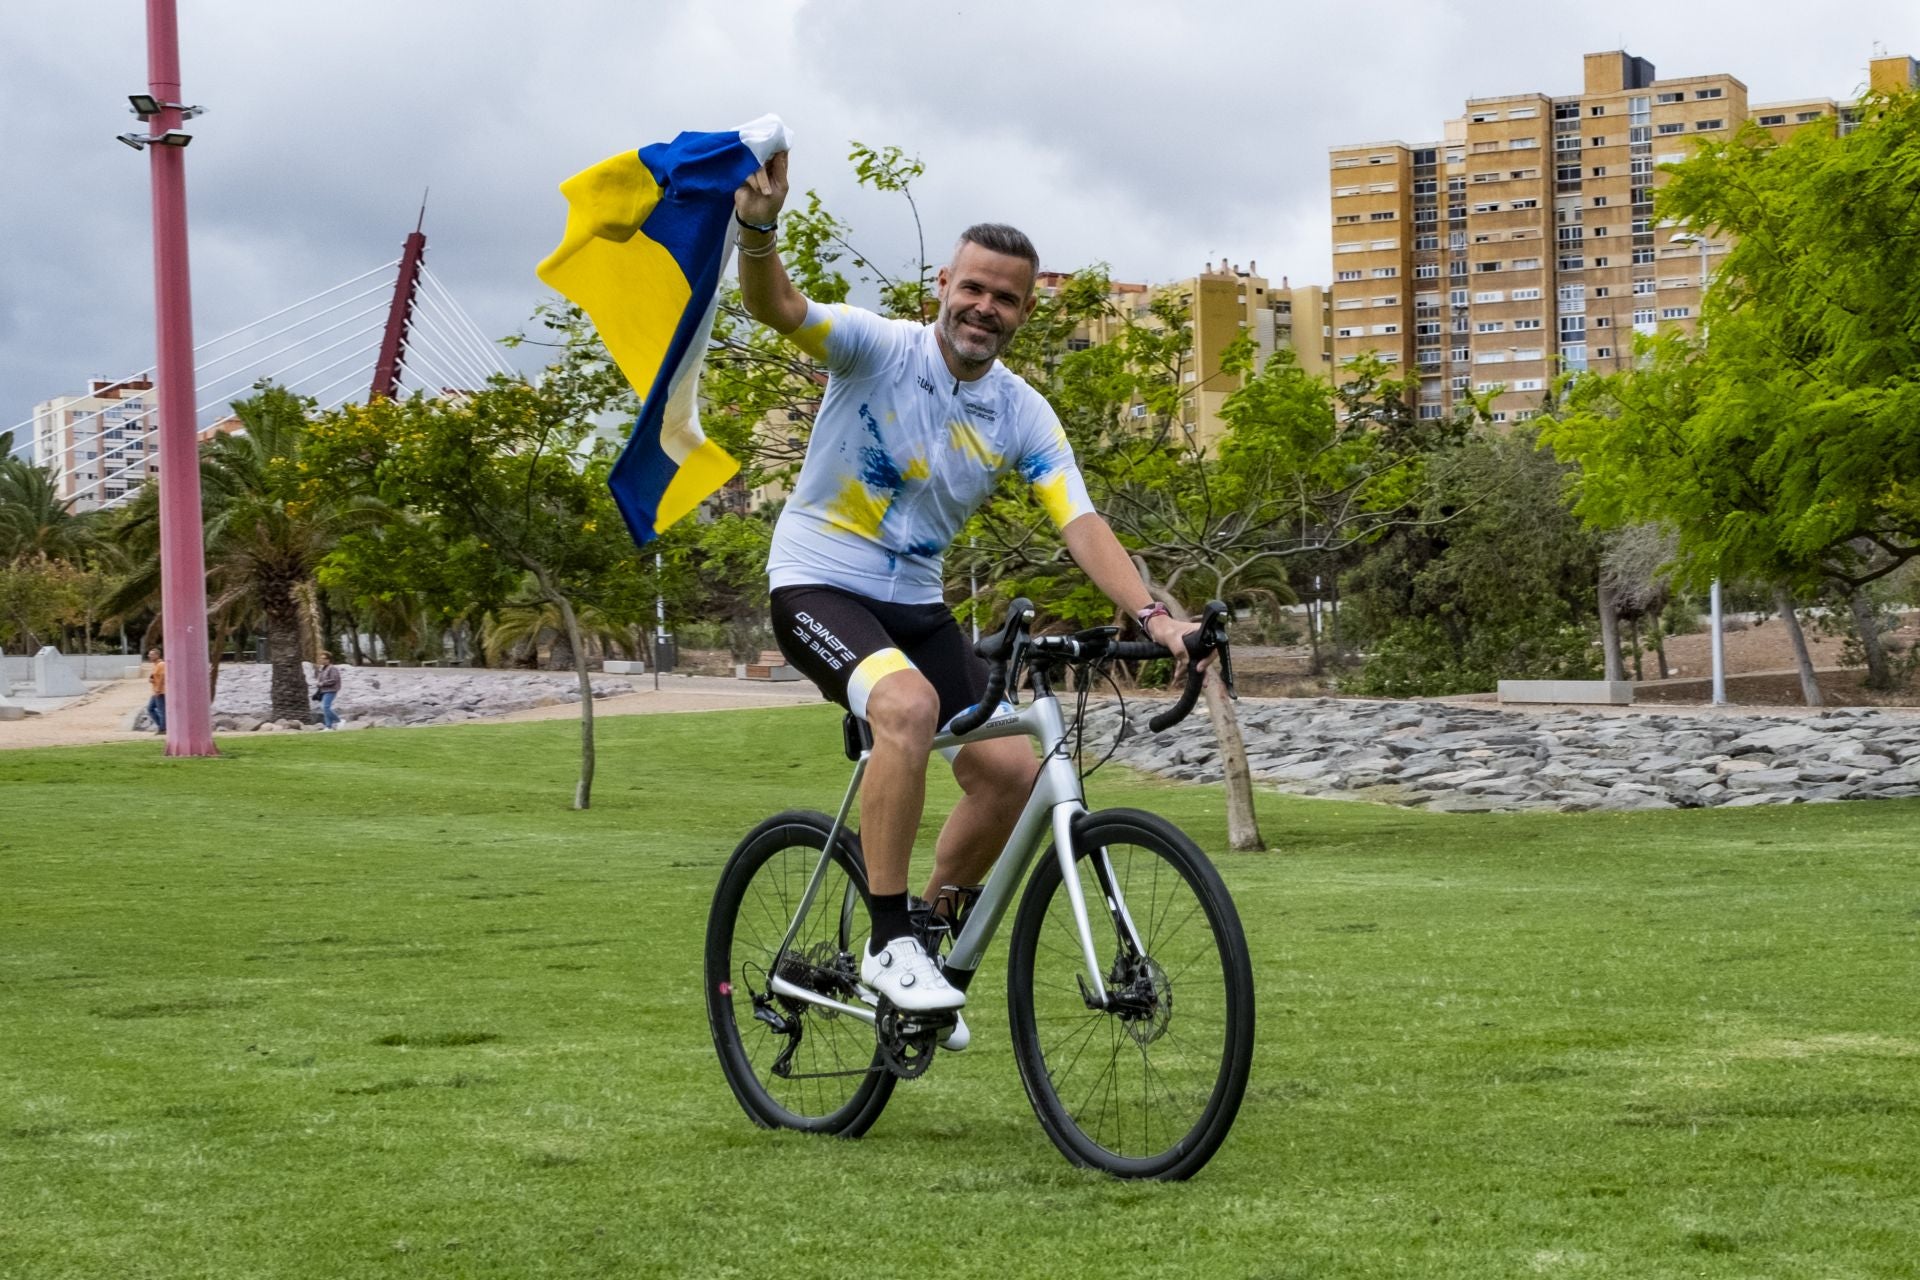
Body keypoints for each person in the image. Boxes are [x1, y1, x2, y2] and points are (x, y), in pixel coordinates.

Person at [734, 150, 1199, 1045]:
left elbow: (1080, 521)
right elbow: (778, 307)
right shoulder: (877, 348)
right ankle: (888, 941)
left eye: (1007, 298)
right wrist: (758, 229)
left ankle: (932, 940)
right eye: (974, 287)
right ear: (942, 288)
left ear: (1026, 312)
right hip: (818, 583)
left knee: (1012, 774)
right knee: (906, 707)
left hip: (914, 606)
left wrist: (1154, 617)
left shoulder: (1022, 412)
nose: (986, 307)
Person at [312, 651, 342, 729]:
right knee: (325, 708)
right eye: (321, 658)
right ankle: (328, 726)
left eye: (324, 658)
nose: (322, 660)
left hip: (331, 690)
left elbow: (333, 680)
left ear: (329, 659)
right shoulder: (323, 668)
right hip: (324, 691)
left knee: (325, 707)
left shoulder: (332, 668)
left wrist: (322, 683)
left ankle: (339, 721)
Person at [145, 648, 166, 733]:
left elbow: (163, 677)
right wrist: (151, 679)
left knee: (161, 710)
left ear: (157, 655)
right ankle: (161, 726)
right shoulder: (155, 665)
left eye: (152, 654)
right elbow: (154, 676)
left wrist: (158, 689)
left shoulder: (161, 664)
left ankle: (163, 728)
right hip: (155, 691)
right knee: (150, 708)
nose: (149, 656)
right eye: (149, 654)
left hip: (161, 691)